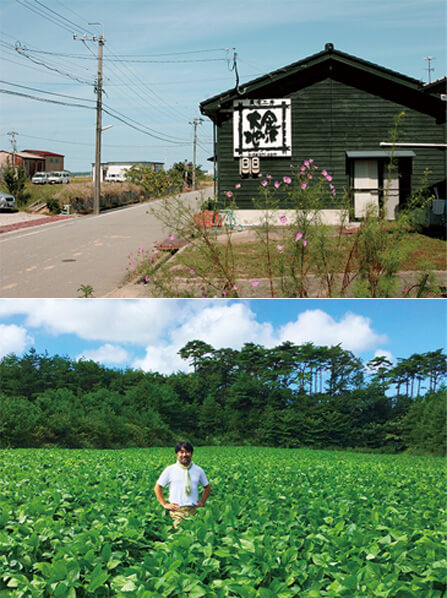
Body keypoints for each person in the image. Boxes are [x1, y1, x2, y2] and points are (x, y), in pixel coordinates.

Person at [154, 441, 210, 528]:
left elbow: (207, 487)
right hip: (177, 511)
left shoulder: (198, 470)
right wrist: (164, 504)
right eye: (181, 452)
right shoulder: (170, 470)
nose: (184, 454)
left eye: (187, 452)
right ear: (177, 454)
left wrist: (202, 502)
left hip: (193, 510)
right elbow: (157, 487)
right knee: (179, 534)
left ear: (191, 454)